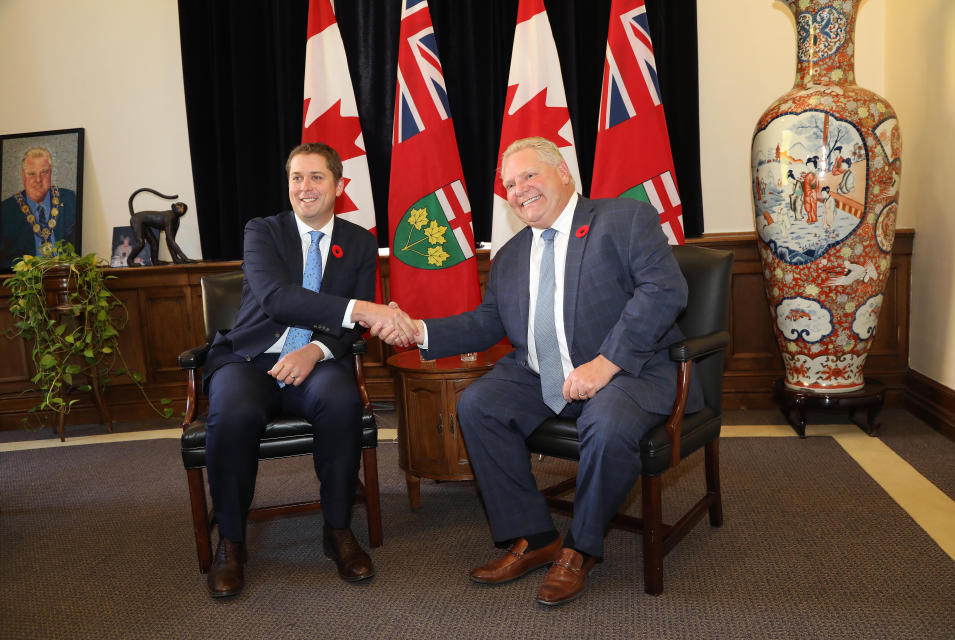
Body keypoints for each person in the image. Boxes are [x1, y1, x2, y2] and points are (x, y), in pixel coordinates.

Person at [374, 137, 703, 606]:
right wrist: (417, 331)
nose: (519, 189)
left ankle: (580, 548)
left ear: (563, 173)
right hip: (541, 372)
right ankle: (534, 534)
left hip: (632, 369)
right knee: (479, 404)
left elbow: (664, 291)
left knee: (606, 425)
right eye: (510, 183)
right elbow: (487, 322)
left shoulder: (622, 220)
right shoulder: (509, 257)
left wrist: (606, 364)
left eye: (529, 175)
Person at [201, 142, 403, 597]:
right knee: (231, 415)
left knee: (341, 401)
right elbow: (278, 299)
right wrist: (362, 308)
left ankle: (337, 531)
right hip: (251, 357)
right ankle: (231, 541)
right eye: (297, 178)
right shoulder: (263, 231)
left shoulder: (360, 242)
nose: (305, 188)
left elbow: (352, 331)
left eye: (316, 177)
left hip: (317, 358)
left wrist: (314, 351)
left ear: (339, 186)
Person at [0, 147, 77, 269]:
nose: (38, 180)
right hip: (25, 283)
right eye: (31, 174)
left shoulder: (70, 200)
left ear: (51, 172)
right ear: (23, 177)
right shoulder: (6, 210)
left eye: (44, 172)